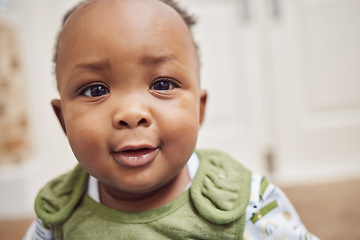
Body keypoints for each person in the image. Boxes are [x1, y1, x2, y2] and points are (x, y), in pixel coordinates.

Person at [24, 0, 319, 239]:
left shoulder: (247, 201)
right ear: (63, 120)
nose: (131, 114)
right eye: (96, 90)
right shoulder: (55, 215)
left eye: (162, 84)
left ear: (199, 109)